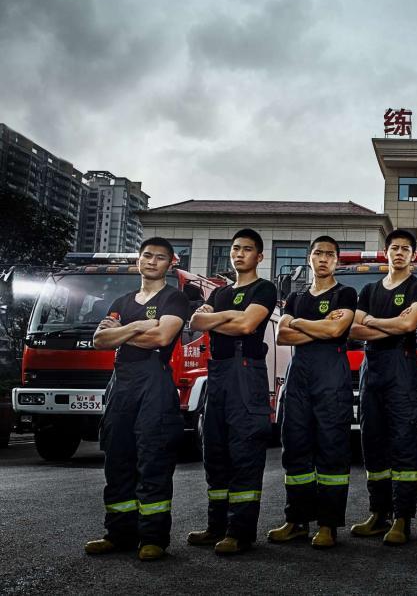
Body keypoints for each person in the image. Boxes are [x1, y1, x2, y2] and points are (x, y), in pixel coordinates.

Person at [85, 237, 188, 561]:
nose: (152, 261)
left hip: (153, 381)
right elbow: (99, 340)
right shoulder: (123, 300)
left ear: (170, 263)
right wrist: (138, 326)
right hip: (121, 383)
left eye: (160, 257)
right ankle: (118, 534)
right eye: (147, 256)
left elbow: (161, 336)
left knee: (153, 459)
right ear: (138, 259)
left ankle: (153, 538)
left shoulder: (175, 299)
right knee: (117, 456)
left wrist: (124, 331)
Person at [186, 229, 277, 555]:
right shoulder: (221, 293)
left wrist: (218, 320)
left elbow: (246, 326)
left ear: (259, 257)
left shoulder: (264, 288)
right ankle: (216, 526)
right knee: (215, 451)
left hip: (246, 373)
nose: (239, 254)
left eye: (247, 249)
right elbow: (197, 321)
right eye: (236, 248)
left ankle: (239, 532)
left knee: (244, 451)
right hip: (219, 375)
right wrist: (224, 318)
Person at [267, 236, 357, 548]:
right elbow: (282, 336)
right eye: (318, 253)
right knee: (295, 448)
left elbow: (336, 331)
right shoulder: (296, 297)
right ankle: (296, 521)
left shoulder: (346, 293)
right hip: (299, 377)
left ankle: (329, 525)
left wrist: (300, 324)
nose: (323, 258)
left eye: (329, 254)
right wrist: (316, 326)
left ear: (337, 260)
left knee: (331, 449)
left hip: (331, 376)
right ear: (309, 258)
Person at [348, 229, 417, 545]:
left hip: (402, 367)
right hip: (372, 369)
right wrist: (390, 323)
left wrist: (373, 322)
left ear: (412, 255)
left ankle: (402, 518)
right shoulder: (369, 289)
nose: (399, 253)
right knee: (372, 441)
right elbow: (353, 329)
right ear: (386, 252)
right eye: (394, 247)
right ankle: (378, 513)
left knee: (404, 442)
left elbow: (410, 326)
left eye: (405, 249)